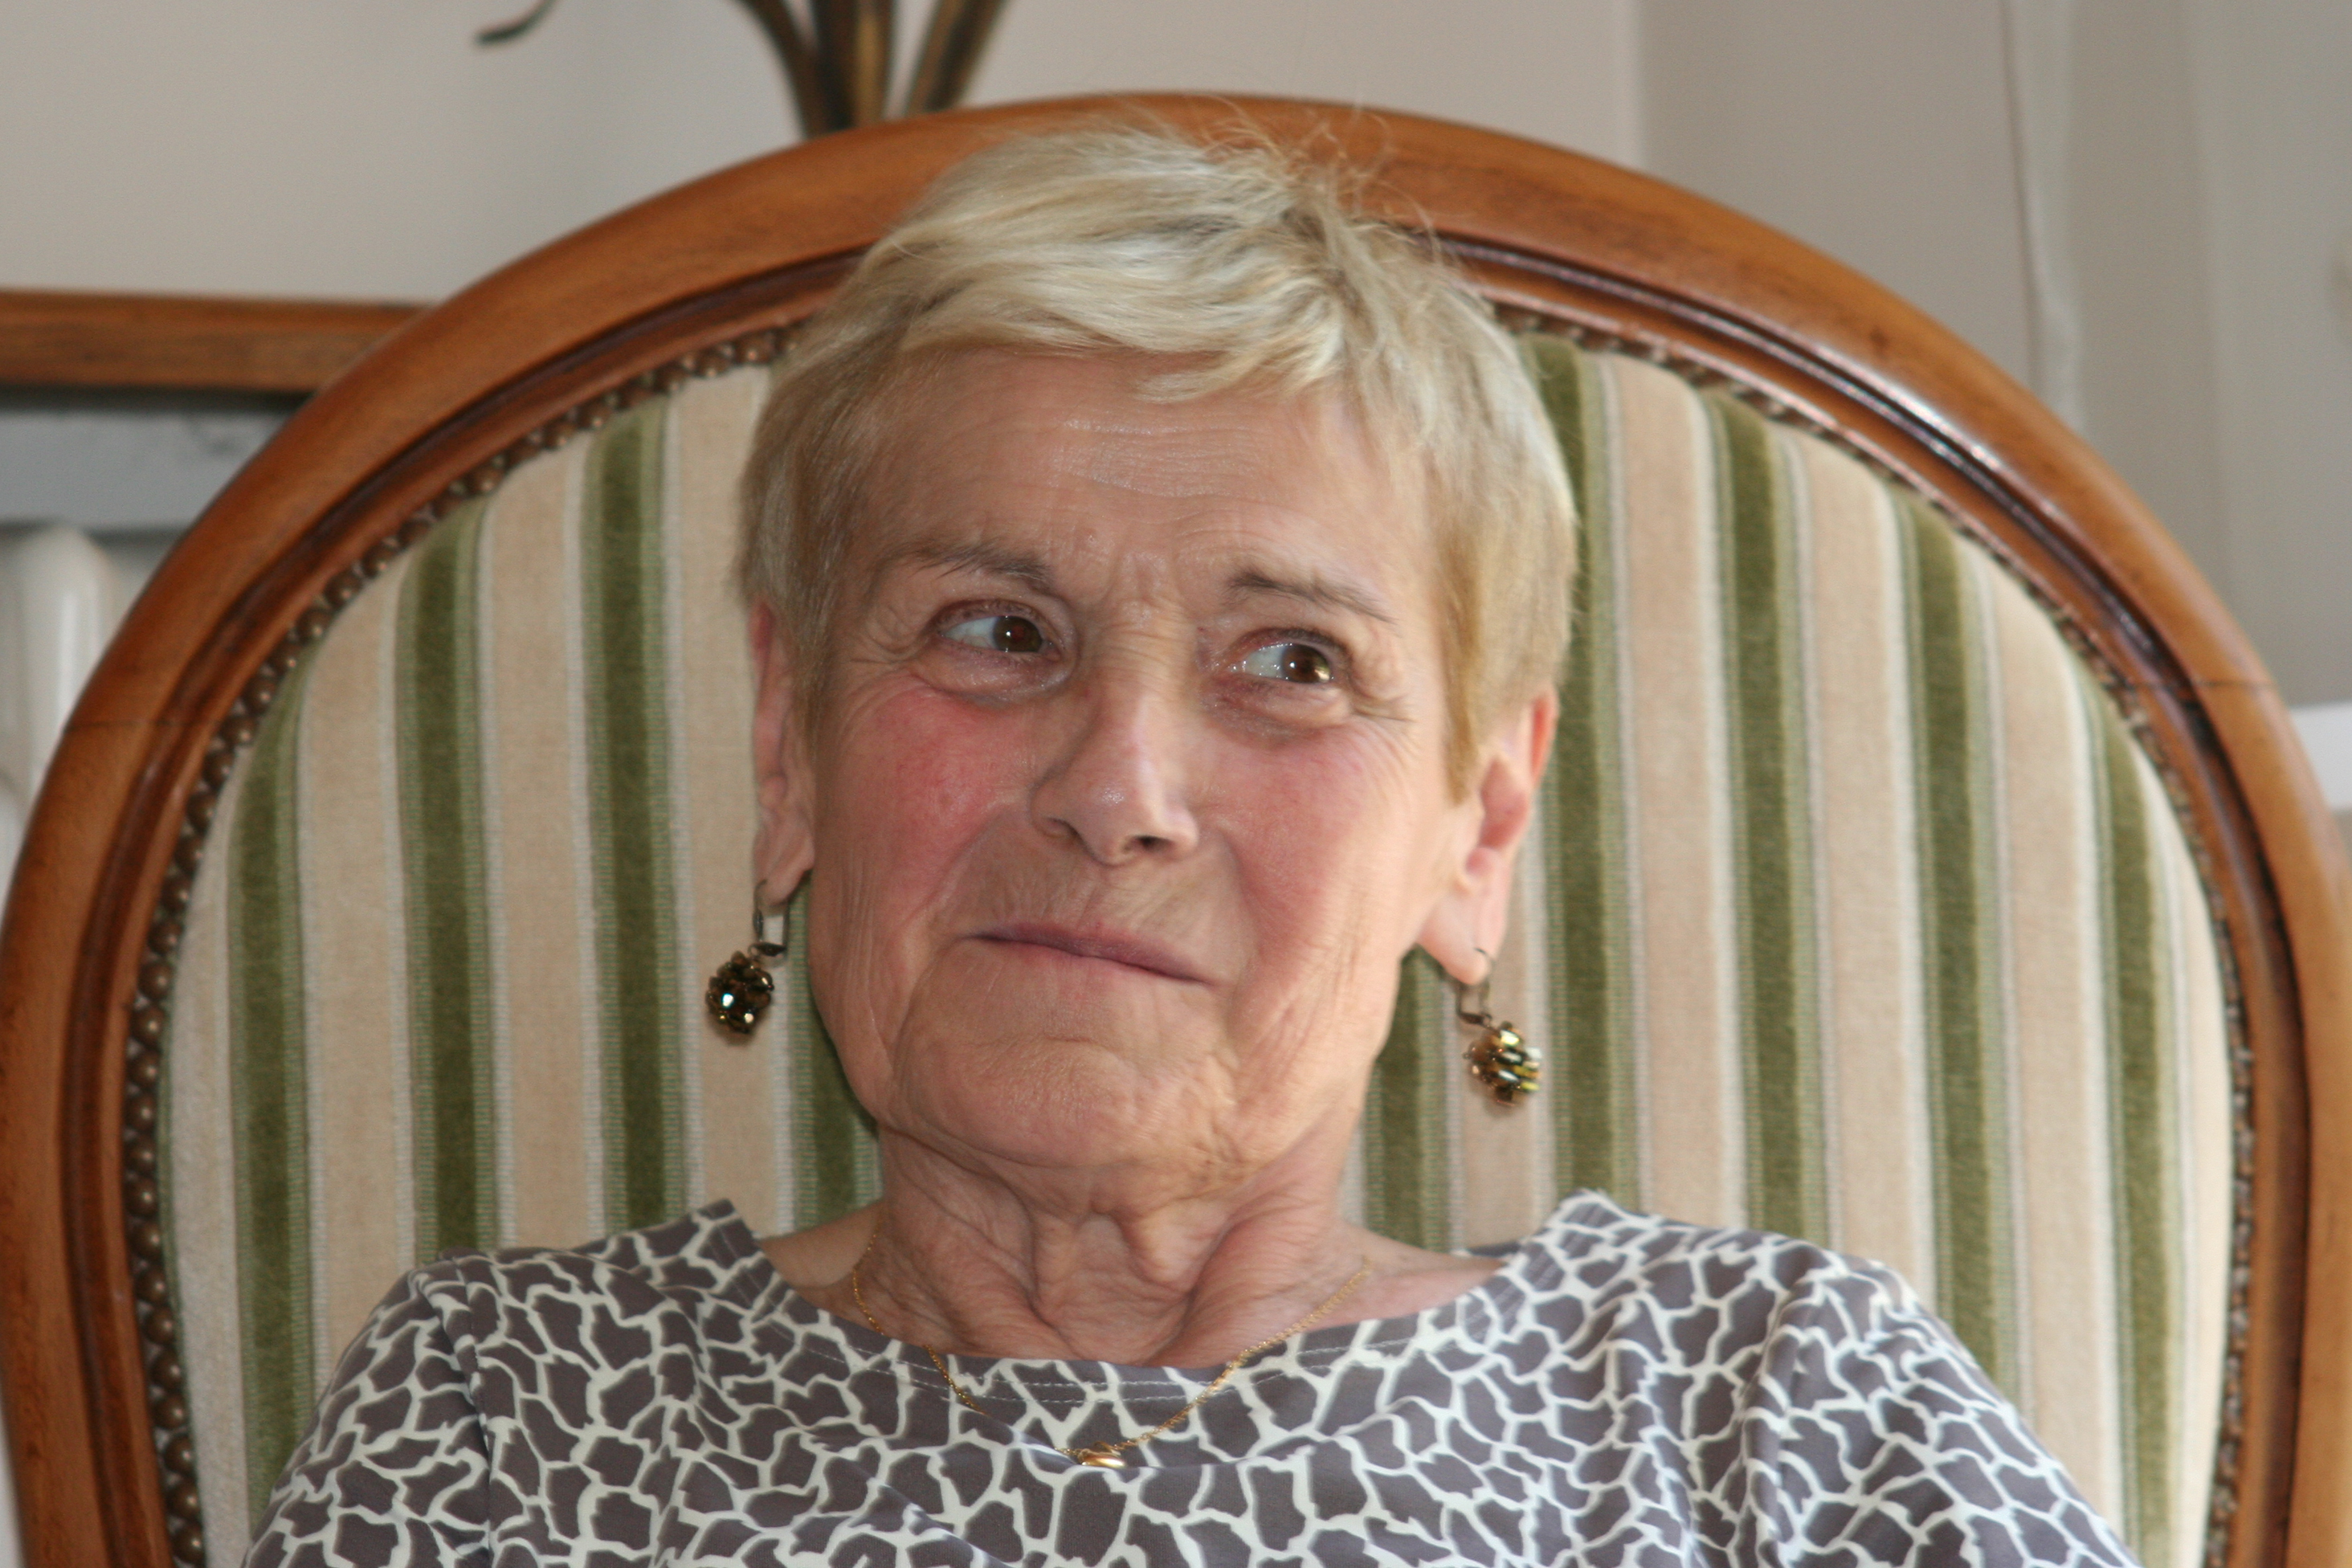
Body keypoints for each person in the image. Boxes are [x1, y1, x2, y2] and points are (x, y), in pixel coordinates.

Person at [244, 125, 2137, 1567]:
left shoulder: (1768, 1408)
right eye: (999, 630)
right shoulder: (510, 1415)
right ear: (789, 747)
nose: (1120, 786)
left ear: (1477, 831)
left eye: (1293, 662)